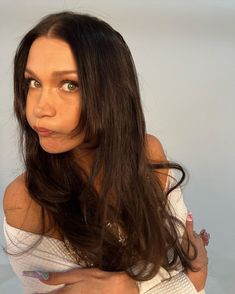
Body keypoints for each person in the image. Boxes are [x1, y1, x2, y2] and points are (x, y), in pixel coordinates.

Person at [3, 11, 209, 294]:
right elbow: (189, 272)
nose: (39, 109)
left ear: (110, 91)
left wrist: (132, 288)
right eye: (33, 83)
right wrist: (192, 278)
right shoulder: (26, 201)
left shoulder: (148, 152)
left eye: (69, 85)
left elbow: (179, 260)